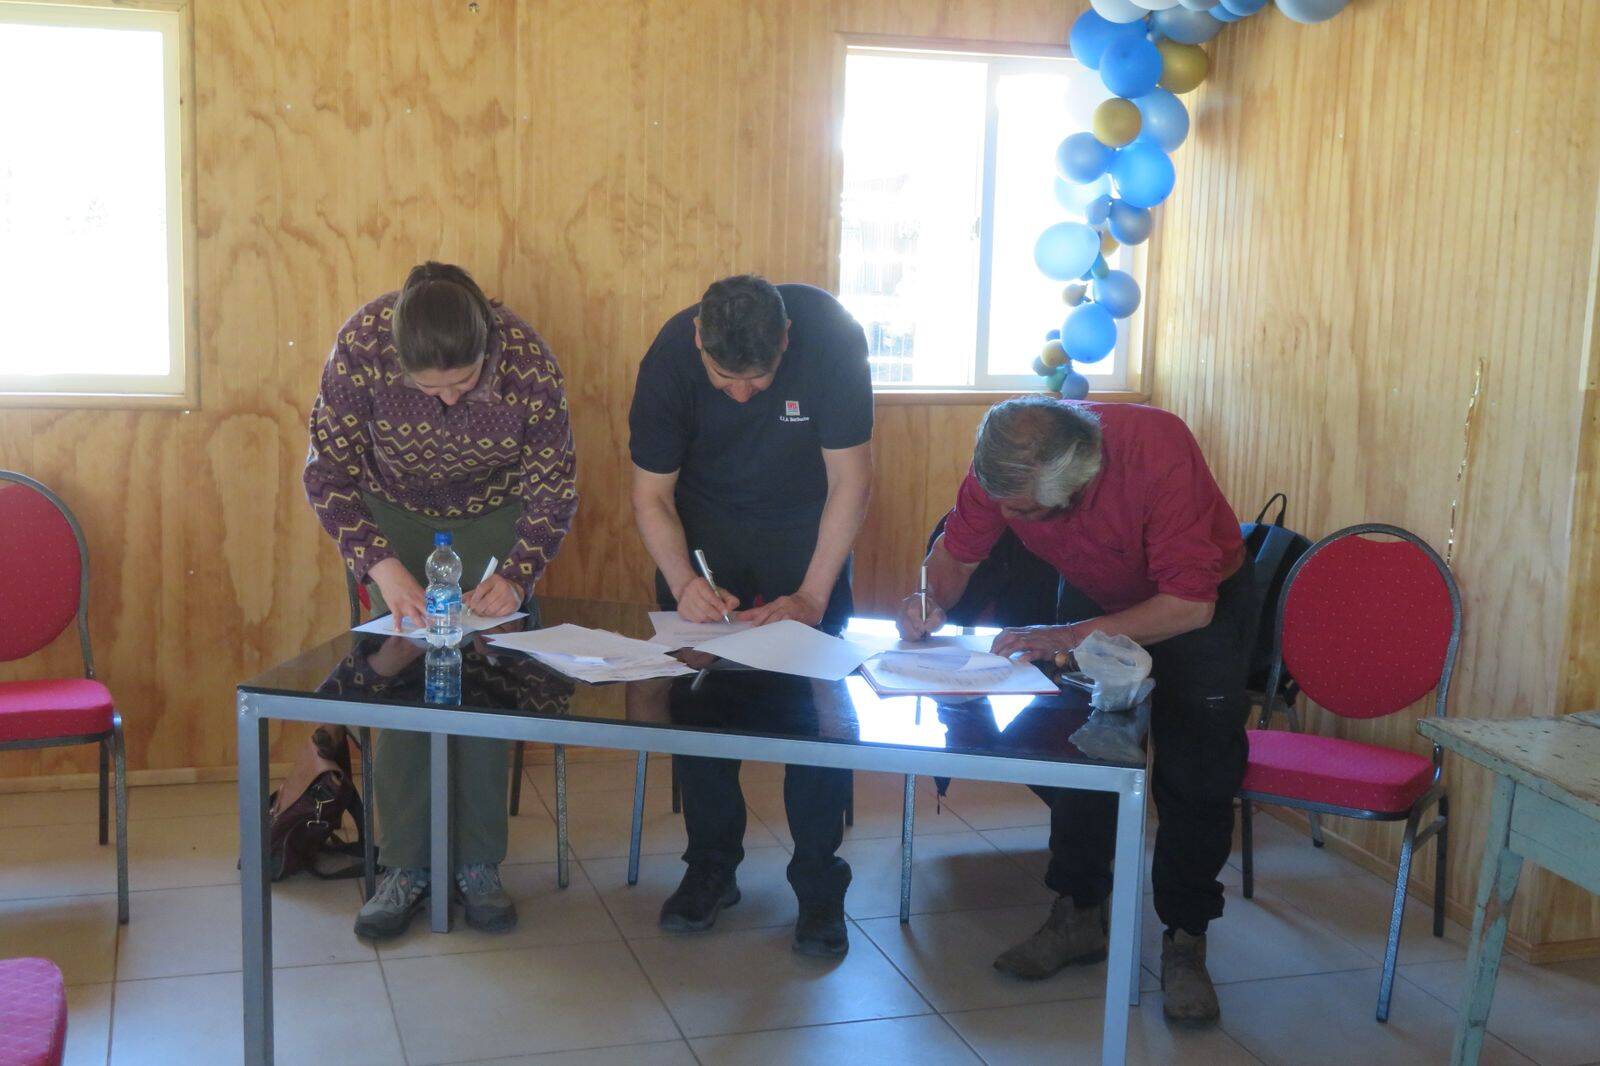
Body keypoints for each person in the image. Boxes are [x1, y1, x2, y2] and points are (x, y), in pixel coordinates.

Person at [896, 395, 1251, 1025]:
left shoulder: (1157, 450)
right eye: (1004, 505)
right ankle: (1078, 914)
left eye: (1025, 511)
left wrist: (1066, 635)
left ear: (1077, 481)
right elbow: (958, 554)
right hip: (1096, 589)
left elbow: (1189, 606)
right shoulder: (1005, 461)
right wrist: (929, 603)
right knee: (1078, 752)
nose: (1009, 518)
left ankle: (1185, 940)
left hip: (1198, 607)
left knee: (1195, 774)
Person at [302, 261, 578, 939]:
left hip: (491, 521)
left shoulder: (526, 359)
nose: (450, 400)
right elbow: (327, 473)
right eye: (431, 388)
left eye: (465, 382)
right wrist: (382, 567)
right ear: (399, 361)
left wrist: (517, 572)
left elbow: (552, 486)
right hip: (392, 517)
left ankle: (477, 863)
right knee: (400, 677)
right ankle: (405, 865)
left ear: (487, 348)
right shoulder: (362, 345)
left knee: (482, 676)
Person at [629, 275, 873, 956]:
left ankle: (819, 883)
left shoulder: (832, 341)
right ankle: (711, 866)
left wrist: (814, 596)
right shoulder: (670, 357)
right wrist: (683, 581)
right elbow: (652, 496)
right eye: (723, 380)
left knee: (818, 719)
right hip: (705, 543)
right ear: (699, 339)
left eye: (757, 380)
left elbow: (851, 481)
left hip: (807, 538)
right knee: (699, 706)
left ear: (786, 340)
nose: (740, 395)